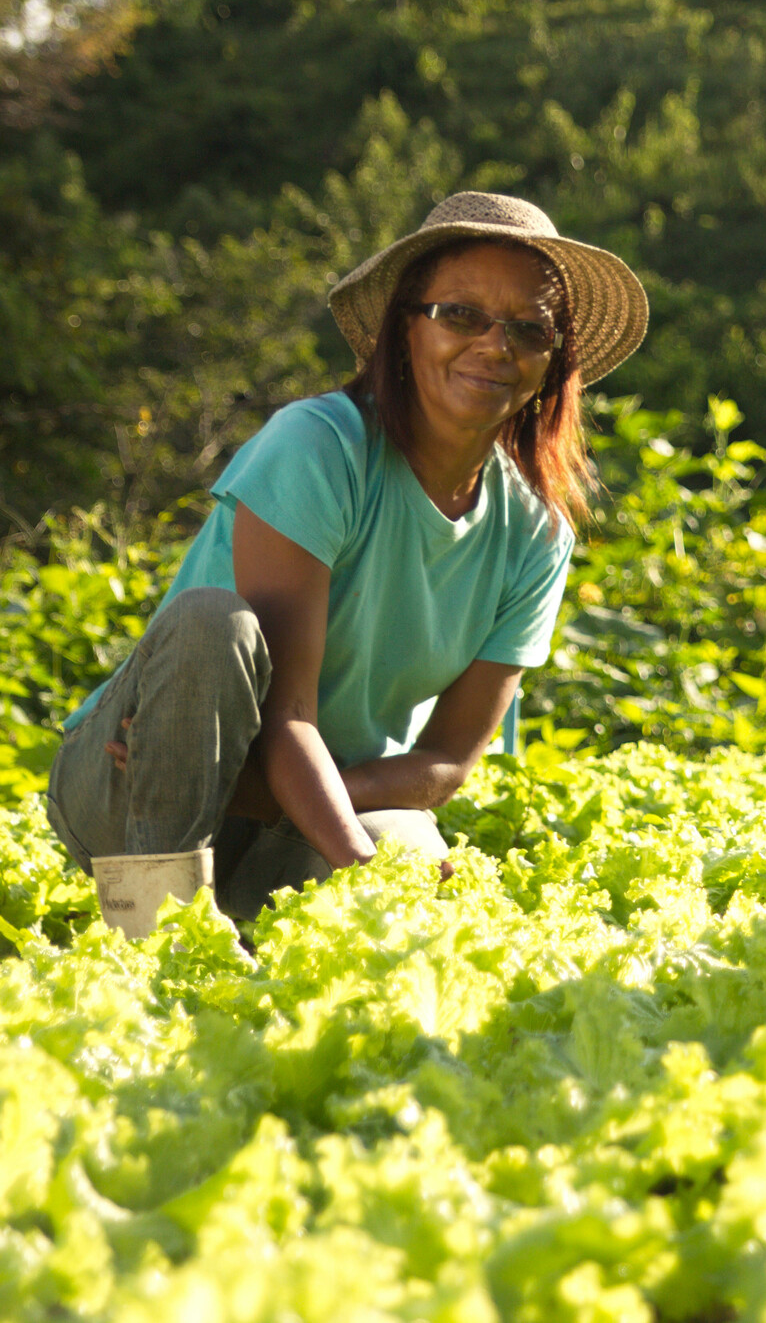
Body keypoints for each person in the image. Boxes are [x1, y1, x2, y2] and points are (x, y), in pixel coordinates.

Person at [44, 191, 648, 920]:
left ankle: (232, 917)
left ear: (554, 362)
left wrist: (279, 798)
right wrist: (357, 860)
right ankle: (151, 928)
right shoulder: (319, 447)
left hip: (295, 802)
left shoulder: (536, 534)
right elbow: (286, 712)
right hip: (134, 782)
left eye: (530, 328)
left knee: (421, 885)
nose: (497, 345)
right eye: (461, 315)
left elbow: (446, 763)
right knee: (214, 621)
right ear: (405, 331)